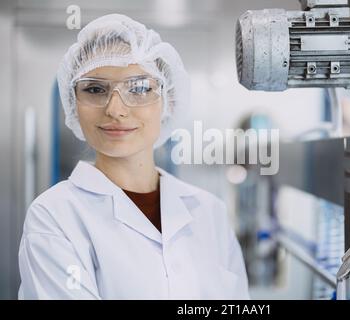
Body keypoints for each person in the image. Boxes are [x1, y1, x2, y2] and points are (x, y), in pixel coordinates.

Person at [18, 14, 249, 300]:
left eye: (139, 88)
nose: (115, 109)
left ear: (168, 99)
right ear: (73, 101)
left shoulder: (209, 211)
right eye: (94, 89)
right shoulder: (54, 216)